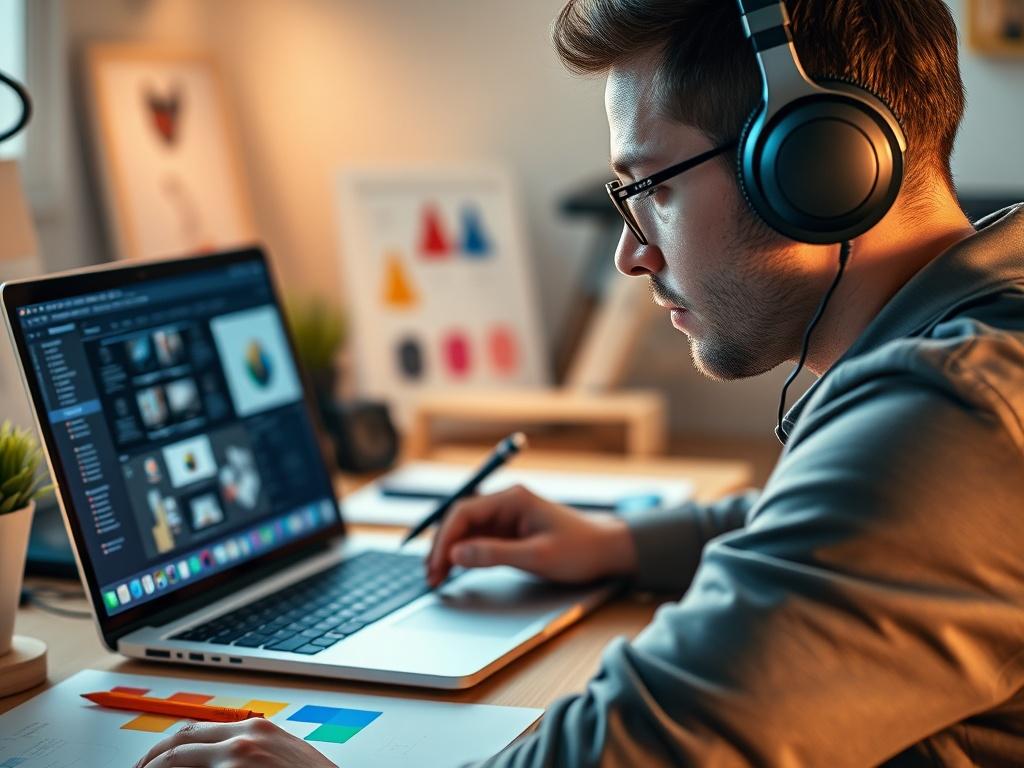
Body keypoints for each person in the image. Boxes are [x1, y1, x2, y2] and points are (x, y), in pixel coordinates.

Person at [134, 0, 1024, 766]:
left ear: (813, 165)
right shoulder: (977, 346)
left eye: (649, 188)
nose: (631, 252)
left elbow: (645, 743)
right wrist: (618, 545)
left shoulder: (959, 416)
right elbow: (835, 528)